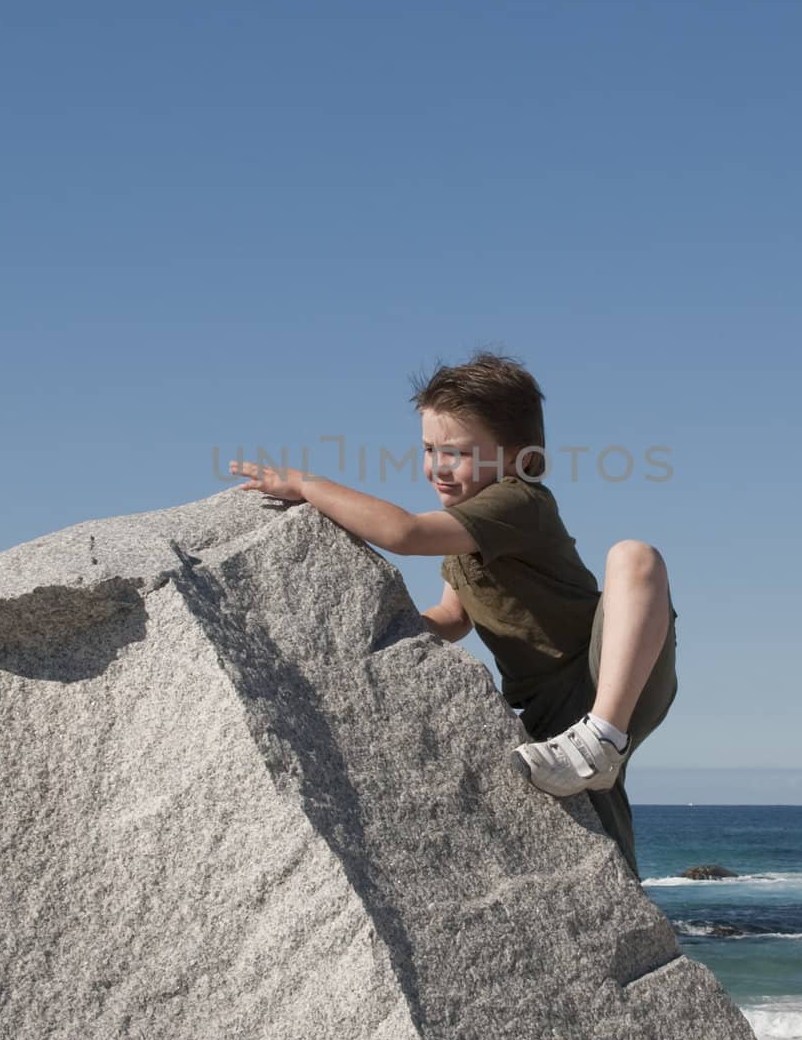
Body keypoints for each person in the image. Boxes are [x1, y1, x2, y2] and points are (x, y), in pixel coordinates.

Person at [228, 349, 677, 878]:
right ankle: (612, 825)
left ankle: (604, 736)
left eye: (457, 453)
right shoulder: (464, 535)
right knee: (599, 835)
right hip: (548, 710)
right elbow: (453, 616)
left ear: (518, 459)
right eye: (428, 449)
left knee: (634, 557)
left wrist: (307, 487)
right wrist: (378, 638)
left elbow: (404, 533)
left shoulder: (518, 502)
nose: (438, 466)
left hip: (605, 676)